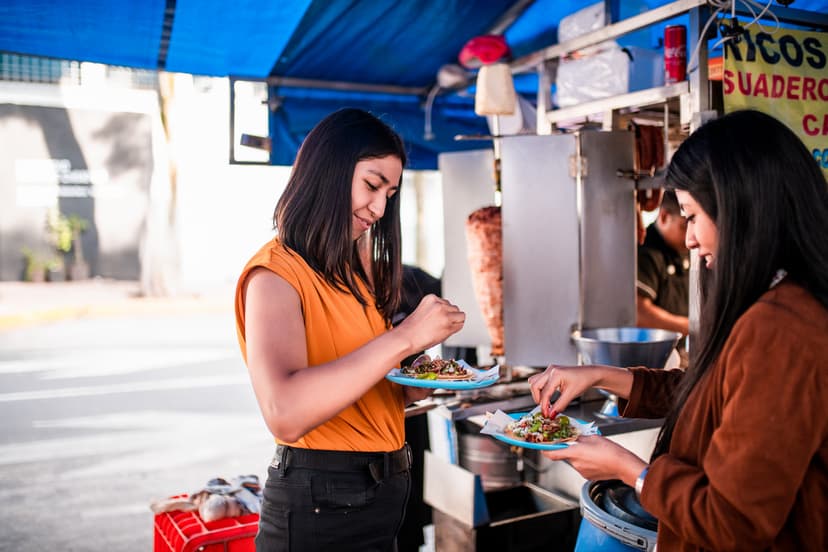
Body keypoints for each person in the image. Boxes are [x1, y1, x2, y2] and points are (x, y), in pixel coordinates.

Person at [529, 110, 828, 551]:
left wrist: (628, 469)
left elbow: (733, 522)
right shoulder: (777, 306)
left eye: (691, 215)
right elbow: (712, 396)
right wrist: (600, 375)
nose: (688, 238)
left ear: (738, 210)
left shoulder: (783, 327)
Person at [234, 108, 465, 551]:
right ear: (328, 171)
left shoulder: (354, 270)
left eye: (390, 193)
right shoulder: (275, 275)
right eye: (372, 185)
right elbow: (285, 411)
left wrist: (408, 387)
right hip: (320, 504)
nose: (380, 208)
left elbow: (355, 381)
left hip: (382, 493)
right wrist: (405, 336)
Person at [636, 189, 690, 337]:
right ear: (664, 217)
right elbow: (639, 313)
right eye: (685, 226)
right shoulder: (646, 251)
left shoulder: (689, 251)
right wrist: (693, 327)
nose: (692, 236)